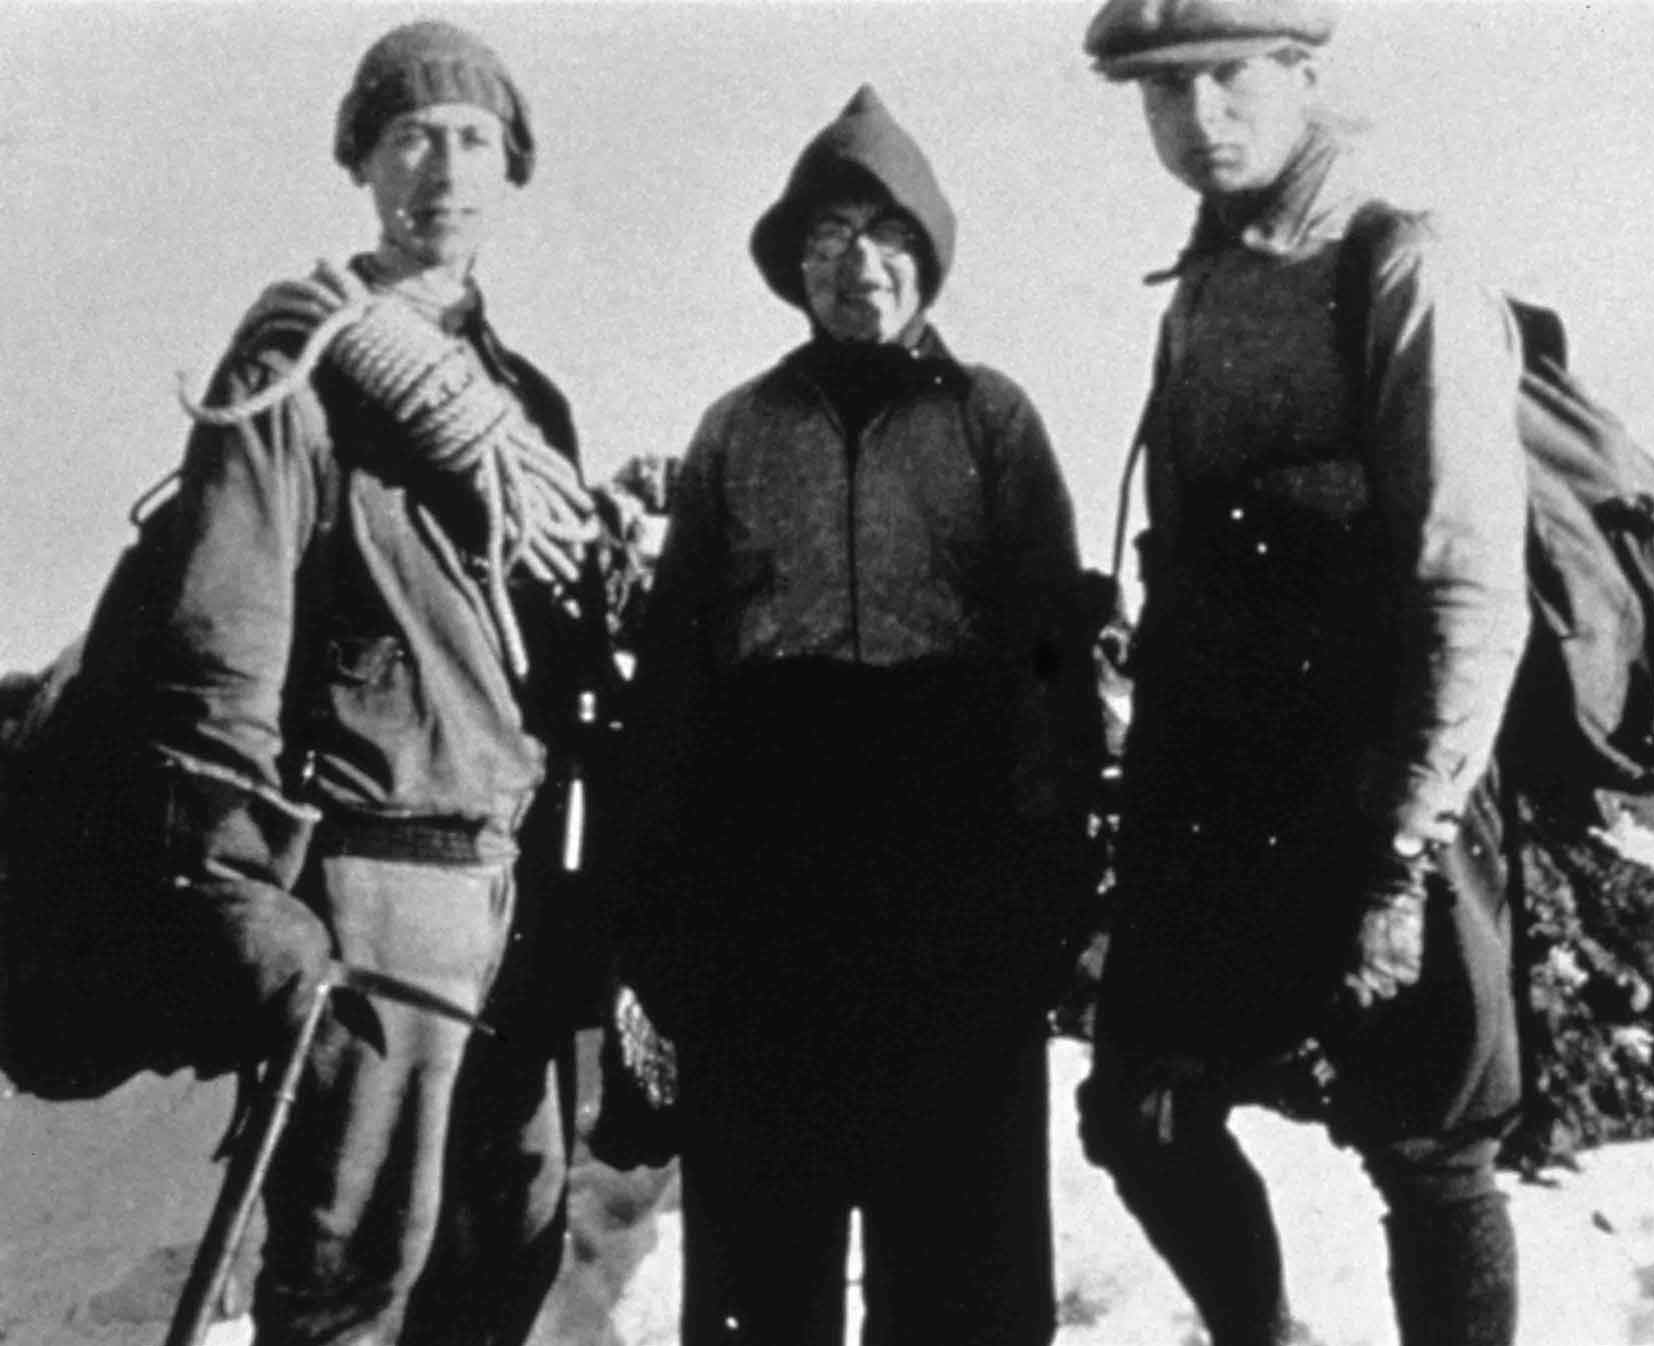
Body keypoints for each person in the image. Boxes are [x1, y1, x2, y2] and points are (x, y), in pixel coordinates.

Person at [139, 20, 608, 1345]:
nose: (441, 171)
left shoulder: (528, 409)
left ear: (508, 166)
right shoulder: (294, 366)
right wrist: (240, 891)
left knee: (501, 1254)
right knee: (351, 1275)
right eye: (409, 137)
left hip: (514, 885)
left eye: (470, 141)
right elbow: (219, 634)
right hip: (370, 872)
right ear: (360, 160)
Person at [1075, 3, 1533, 1344]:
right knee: (1140, 1108)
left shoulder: (1396, 265)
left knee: (1428, 1146)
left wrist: (1402, 846)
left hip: (1377, 771)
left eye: (1225, 78)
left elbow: (1467, 579)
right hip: (1214, 773)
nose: (1196, 117)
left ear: (1301, 76)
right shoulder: (1208, 275)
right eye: (1161, 94)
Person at [623, 84, 1101, 1346]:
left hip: (948, 858)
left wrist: (1049, 873)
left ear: (927, 256)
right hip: (771, 862)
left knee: (957, 1247)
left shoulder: (989, 419)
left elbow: (1050, 656)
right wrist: (664, 897)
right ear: (793, 267)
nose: (860, 265)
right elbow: (677, 675)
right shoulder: (737, 431)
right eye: (829, 238)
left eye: (887, 235)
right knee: (762, 1243)